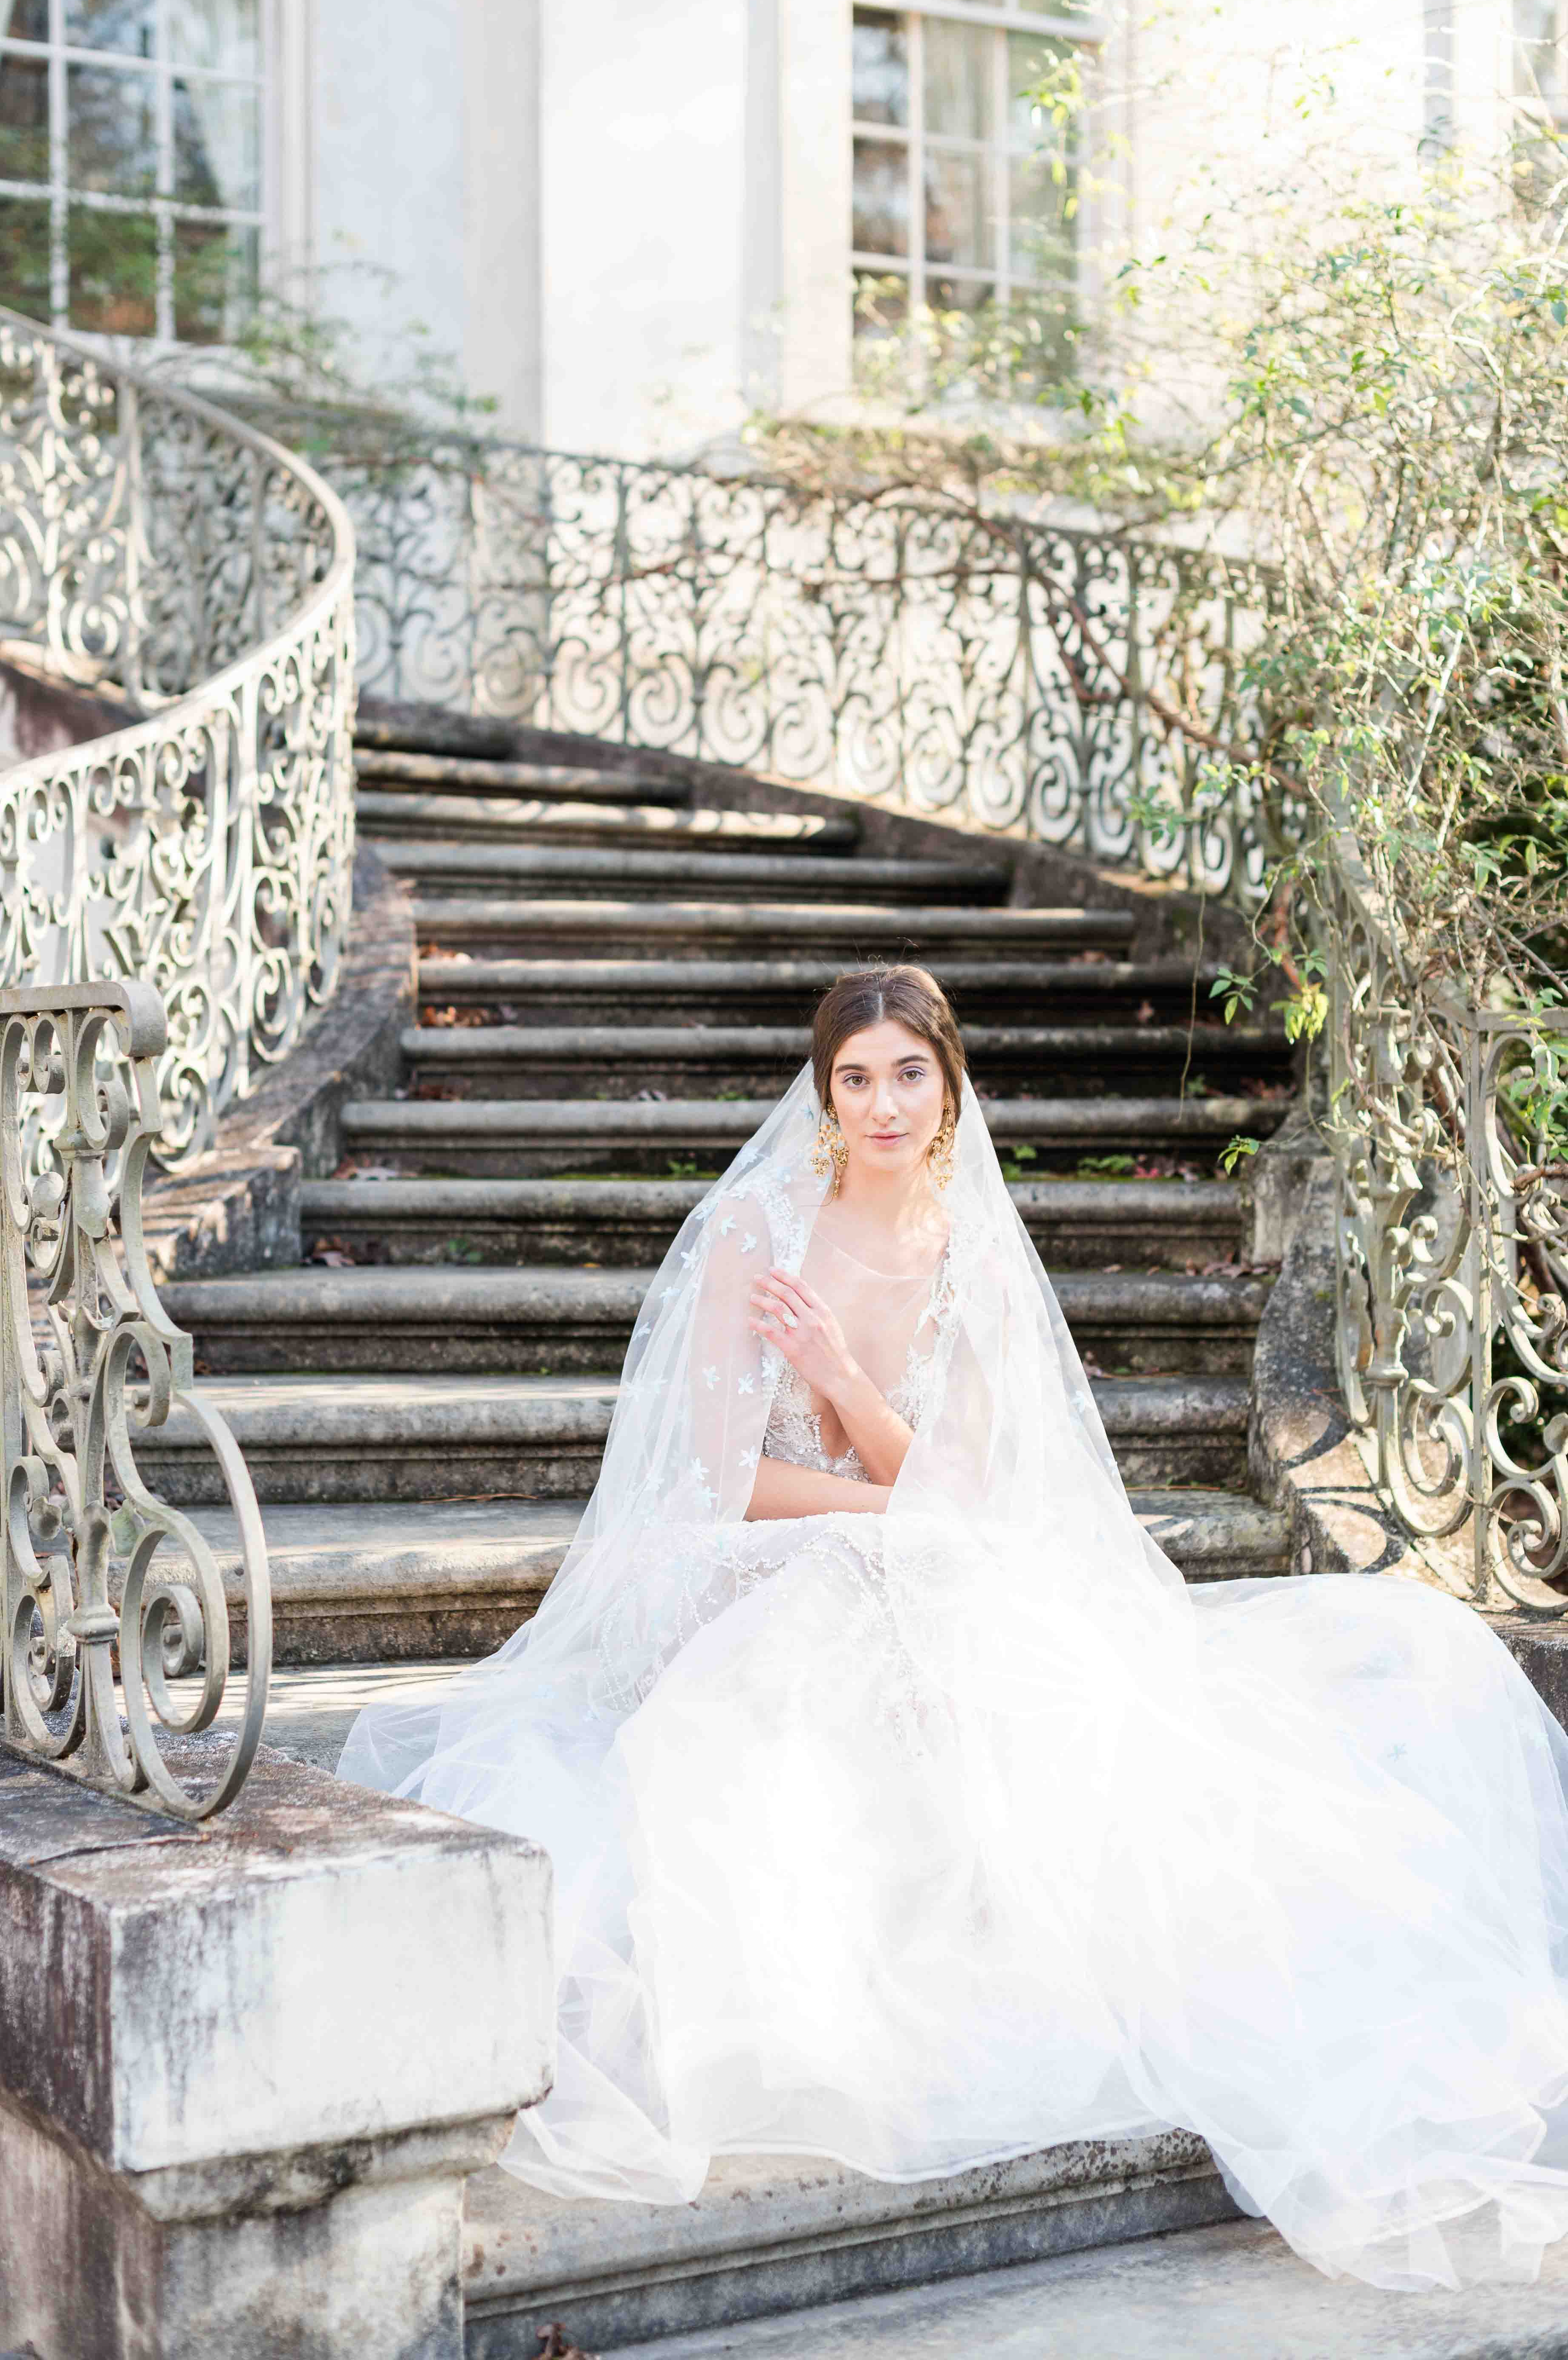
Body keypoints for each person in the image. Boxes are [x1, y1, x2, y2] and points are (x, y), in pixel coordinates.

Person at [340, 964, 1568, 2293]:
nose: (883, 1104)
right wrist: (901, 1515)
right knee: (876, 1593)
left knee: (990, 1622)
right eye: (856, 1078)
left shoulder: (969, 1251)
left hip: (917, 1562)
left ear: (950, 1085)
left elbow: (963, 1485)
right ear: (825, 1096)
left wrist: (844, 1382)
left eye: (908, 1075)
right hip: (750, 1567)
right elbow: (722, 1482)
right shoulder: (759, 1232)